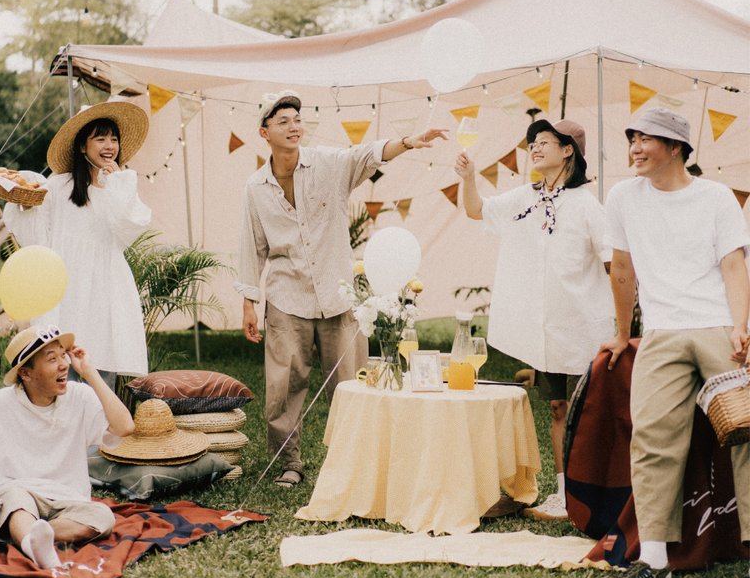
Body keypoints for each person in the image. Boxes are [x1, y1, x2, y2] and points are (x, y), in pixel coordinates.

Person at [236, 89, 447, 487]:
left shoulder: (329, 164)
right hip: (285, 297)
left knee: (350, 384)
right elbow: (253, 246)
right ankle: (288, 463)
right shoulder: (255, 187)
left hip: (339, 296)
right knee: (283, 387)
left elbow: (367, 154)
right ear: (264, 132)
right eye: (283, 121)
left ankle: (354, 460)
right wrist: (249, 301)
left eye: (297, 119)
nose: (293, 126)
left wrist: (408, 142)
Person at [599, 107, 750, 578]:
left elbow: (733, 267)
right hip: (662, 332)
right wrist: (624, 334)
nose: (635, 149)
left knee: (747, 433)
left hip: (717, 327)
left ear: (677, 148)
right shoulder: (623, 197)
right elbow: (622, 271)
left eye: (646, 139)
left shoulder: (717, 197)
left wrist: (741, 327)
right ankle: (657, 560)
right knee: (651, 438)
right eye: (633, 139)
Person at [455, 118, 614, 521]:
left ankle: (595, 494)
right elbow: (476, 210)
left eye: (544, 142)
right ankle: (563, 494)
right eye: (532, 143)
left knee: (590, 416)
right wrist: (470, 176)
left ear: (568, 152)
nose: (535, 148)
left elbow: (614, 262)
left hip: (585, 329)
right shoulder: (523, 198)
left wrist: (625, 323)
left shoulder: (587, 205)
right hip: (546, 331)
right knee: (557, 409)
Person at [0, 326, 135, 569]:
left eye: (62, 355)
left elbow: (124, 427)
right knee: (15, 500)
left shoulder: (79, 396)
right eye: (51, 359)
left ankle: (32, 537)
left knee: (103, 517)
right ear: (25, 374)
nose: (63, 364)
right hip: (16, 494)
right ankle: (33, 541)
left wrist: (90, 373)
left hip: (66, 499)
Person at [3, 100, 152, 386]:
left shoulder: (118, 187)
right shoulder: (59, 186)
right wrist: (24, 200)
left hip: (105, 287)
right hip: (66, 285)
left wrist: (119, 183)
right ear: (83, 146)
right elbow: (35, 230)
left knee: (100, 360)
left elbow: (129, 226)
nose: (109, 145)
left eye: (114, 139)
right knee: (63, 361)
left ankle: (98, 424)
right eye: (100, 138)